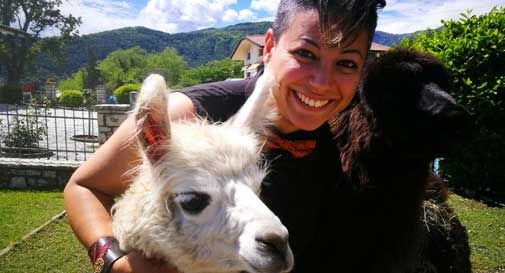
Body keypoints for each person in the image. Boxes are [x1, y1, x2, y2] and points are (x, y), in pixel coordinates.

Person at [63, 0, 386, 272]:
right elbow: (85, 187)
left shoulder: (347, 128)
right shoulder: (185, 123)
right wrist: (114, 260)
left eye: (346, 62)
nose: (321, 83)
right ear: (270, 48)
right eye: (306, 54)